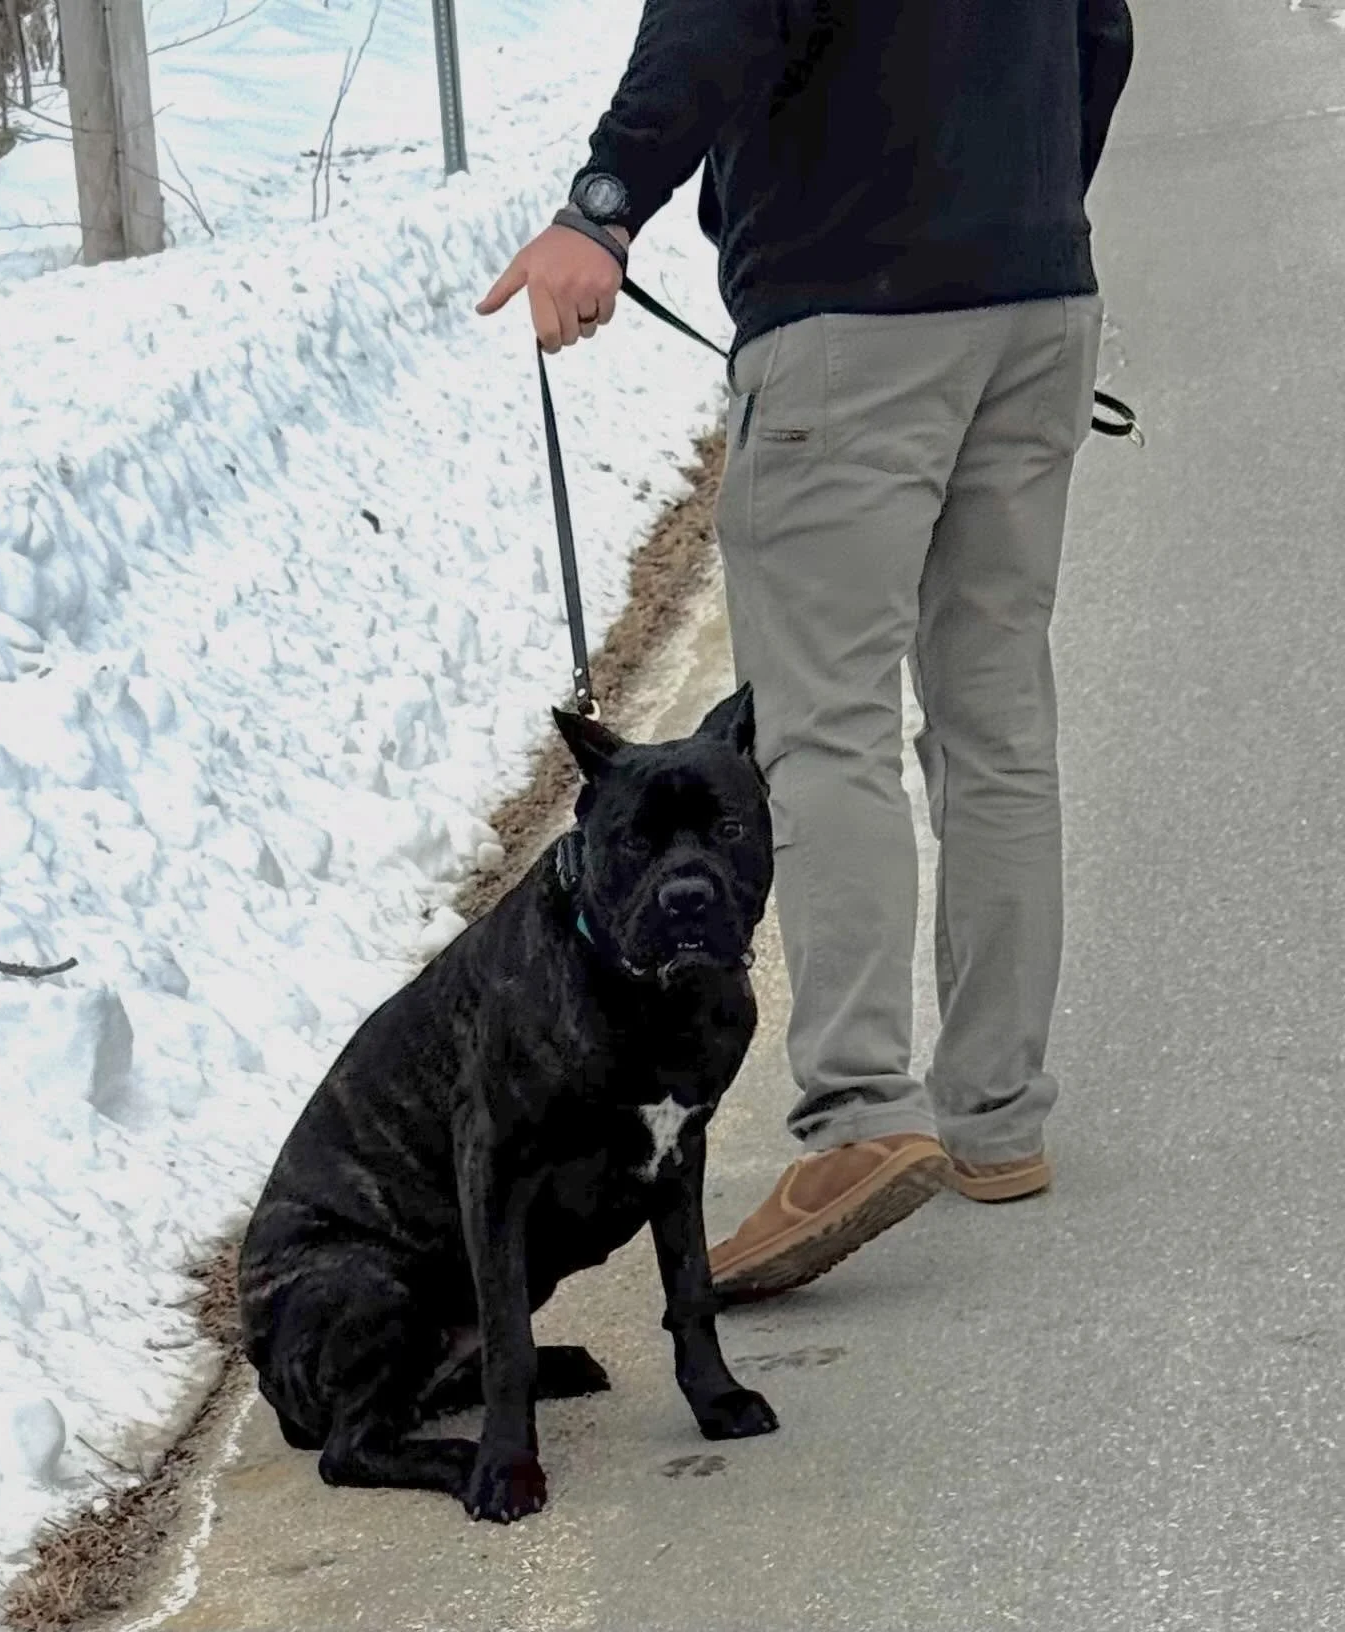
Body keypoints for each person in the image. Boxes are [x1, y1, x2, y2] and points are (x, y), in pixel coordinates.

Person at [479, 0, 1135, 1304]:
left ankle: (859, 1116)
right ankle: (998, 1119)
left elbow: (713, 25)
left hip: (855, 321)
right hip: (1038, 301)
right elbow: (1100, 37)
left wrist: (600, 210)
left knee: (821, 724)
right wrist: (1016, 211)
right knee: (997, 716)